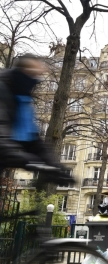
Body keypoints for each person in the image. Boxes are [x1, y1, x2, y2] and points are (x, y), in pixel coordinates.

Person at [0, 54, 73, 184]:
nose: (36, 79)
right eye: (33, 73)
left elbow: (33, 140)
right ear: (23, 70)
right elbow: (2, 143)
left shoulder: (23, 99)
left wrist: (55, 167)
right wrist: (32, 162)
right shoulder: (3, 89)